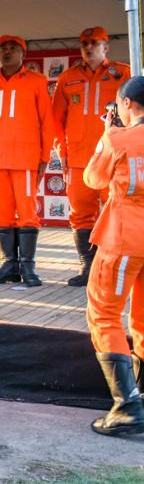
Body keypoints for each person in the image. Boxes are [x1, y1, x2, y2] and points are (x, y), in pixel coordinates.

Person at [81, 76, 144, 436]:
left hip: (123, 238)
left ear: (128, 104)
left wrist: (107, 134)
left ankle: (127, 405)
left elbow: (93, 178)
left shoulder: (117, 137)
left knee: (103, 312)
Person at [52, 26, 130, 286]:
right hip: (78, 158)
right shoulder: (67, 78)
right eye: (84, 43)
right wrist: (61, 151)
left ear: (106, 47)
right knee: (80, 213)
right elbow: (56, 121)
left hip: (114, 157)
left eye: (94, 43)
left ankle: (111, 269)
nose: (88, 47)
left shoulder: (123, 74)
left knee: (115, 210)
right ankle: (88, 267)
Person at [0, 35, 53, 287]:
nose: (7, 52)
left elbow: (46, 120)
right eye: (3, 49)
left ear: (23, 53)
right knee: (1, 212)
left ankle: (28, 267)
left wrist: (44, 157)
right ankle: (9, 264)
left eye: (13, 48)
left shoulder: (36, 81)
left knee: (27, 212)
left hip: (25, 156)